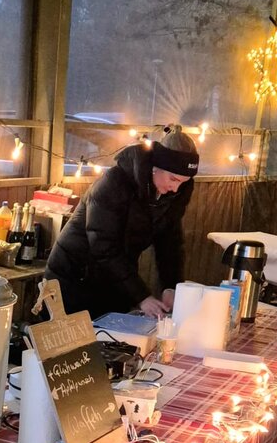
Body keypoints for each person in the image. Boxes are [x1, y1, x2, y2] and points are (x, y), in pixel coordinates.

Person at [44, 125, 199, 319]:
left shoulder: (173, 195)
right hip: (74, 277)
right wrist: (142, 296)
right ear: (156, 167)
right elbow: (103, 246)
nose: (176, 188)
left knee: (115, 334)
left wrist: (171, 286)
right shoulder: (114, 183)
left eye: (183, 182)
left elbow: (170, 244)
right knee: (78, 336)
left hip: (115, 278)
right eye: (173, 179)